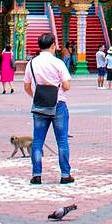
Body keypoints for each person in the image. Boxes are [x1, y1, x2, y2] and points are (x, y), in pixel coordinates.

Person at [24, 32, 73, 185]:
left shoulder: (31, 63)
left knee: (37, 141)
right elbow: (66, 86)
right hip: (58, 104)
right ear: (53, 45)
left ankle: (36, 174)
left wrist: (36, 96)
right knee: (62, 141)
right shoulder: (58, 63)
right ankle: (65, 174)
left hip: (39, 105)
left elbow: (26, 86)